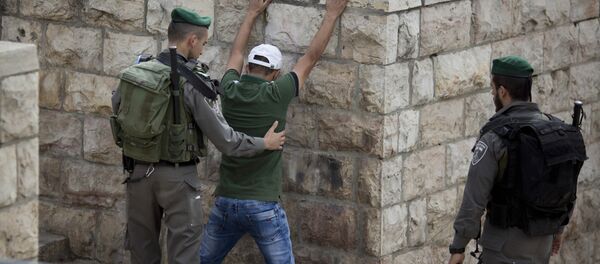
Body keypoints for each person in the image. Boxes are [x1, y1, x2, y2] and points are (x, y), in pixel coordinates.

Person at [110, 7, 285, 264]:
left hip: (137, 174)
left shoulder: (138, 70)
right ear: (191, 40)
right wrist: (264, 143)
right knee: (185, 254)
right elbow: (225, 139)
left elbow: (117, 112)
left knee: (142, 253)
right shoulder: (192, 80)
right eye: (203, 43)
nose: (203, 49)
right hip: (178, 178)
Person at [199, 0, 349, 263]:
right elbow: (311, 57)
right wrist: (332, 14)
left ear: (248, 68)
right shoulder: (277, 93)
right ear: (276, 73)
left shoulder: (229, 89)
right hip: (263, 204)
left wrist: (252, 12)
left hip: (227, 201)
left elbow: (236, 52)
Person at [448, 56, 586, 264]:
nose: (493, 94)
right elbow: (566, 186)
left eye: (493, 89)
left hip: (503, 249)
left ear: (503, 91)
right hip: (543, 245)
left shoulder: (495, 138)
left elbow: (474, 200)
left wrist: (458, 247)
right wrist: (559, 228)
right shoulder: (554, 132)